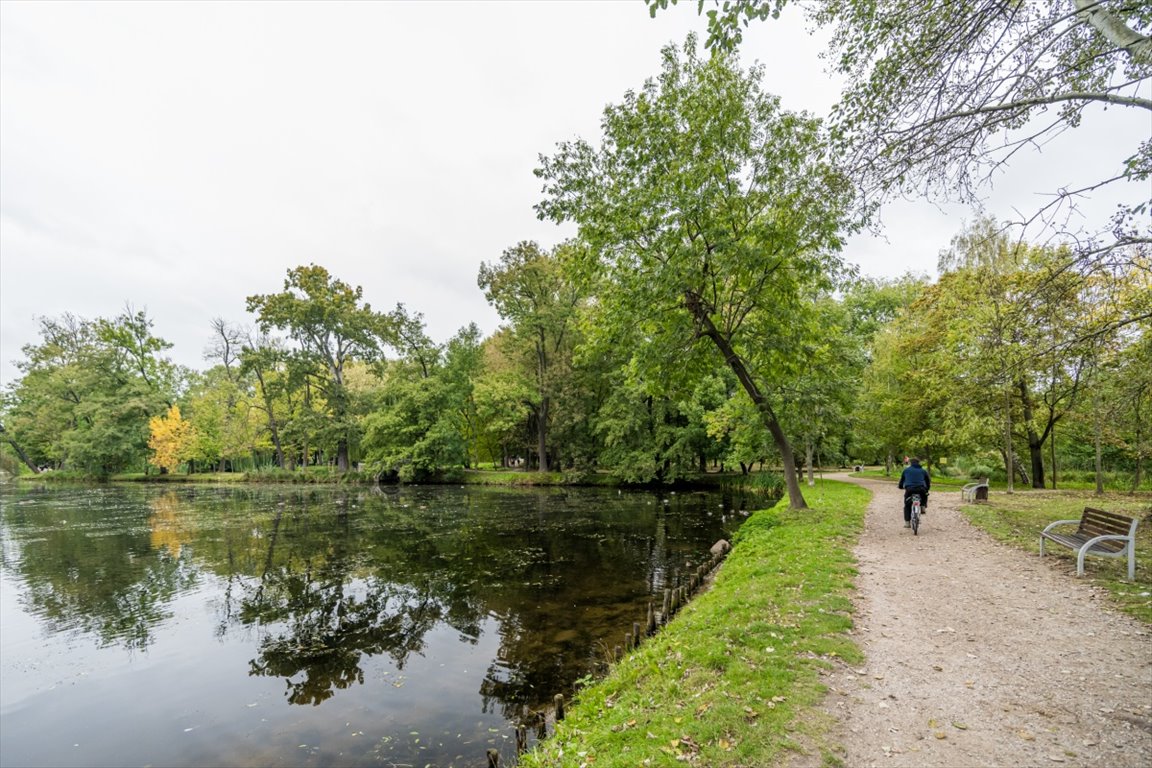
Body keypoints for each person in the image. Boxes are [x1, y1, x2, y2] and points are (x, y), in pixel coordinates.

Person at [898, 456, 930, 528]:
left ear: (910, 463)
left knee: (907, 505)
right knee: (925, 495)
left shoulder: (906, 470)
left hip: (910, 489)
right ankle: (923, 506)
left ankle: (907, 523)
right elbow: (928, 481)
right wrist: (927, 489)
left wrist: (900, 486)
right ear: (918, 463)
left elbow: (902, 480)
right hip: (921, 489)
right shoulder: (923, 471)